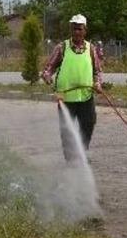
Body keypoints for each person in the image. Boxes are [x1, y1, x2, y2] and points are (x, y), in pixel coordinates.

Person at [42, 14, 103, 157]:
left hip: (86, 97)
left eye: (79, 29)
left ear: (85, 30)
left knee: (89, 124)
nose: (76, 32)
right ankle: (70, 159)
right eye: (74, 28)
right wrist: (47, 77)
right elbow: (49, 68)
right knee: (67, 130)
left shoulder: (91, 49)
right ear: (71, 29)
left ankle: (81, 152)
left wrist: (98, 83)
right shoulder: (62, 48)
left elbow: (97, 71)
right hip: (65, 98)